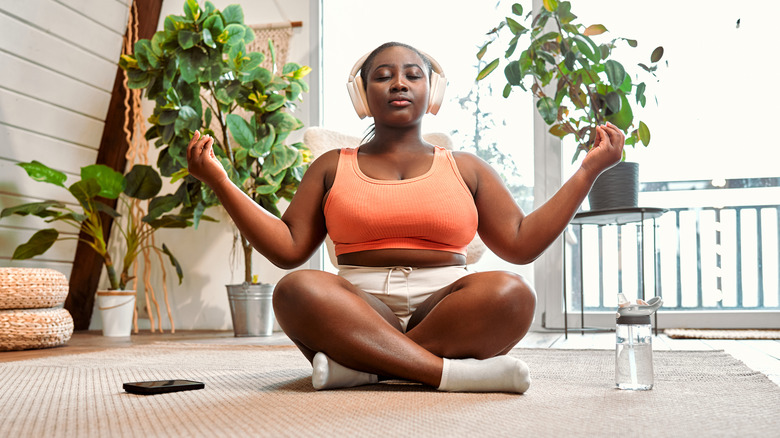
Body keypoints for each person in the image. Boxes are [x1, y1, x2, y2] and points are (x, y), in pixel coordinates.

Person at [186, 42, 625, 393]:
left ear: (431, 92)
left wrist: (588, 171)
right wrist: (221, 181)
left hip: (445, 303)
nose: (399, 83)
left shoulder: (465, 166)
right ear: (363, 94)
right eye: (383, 76)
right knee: (297, 289)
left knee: (513, 292)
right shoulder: (330, 165)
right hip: (356, 306)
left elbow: (520, 242)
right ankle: (447, 375)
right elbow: (288, 249)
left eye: (413, 75)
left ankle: (364, 368)